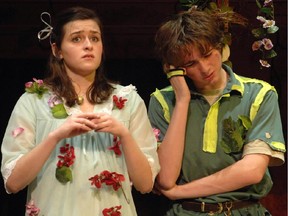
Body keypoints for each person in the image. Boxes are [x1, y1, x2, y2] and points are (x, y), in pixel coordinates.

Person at [1, 6, 160, 216]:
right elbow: (13, 183)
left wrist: (123, 134)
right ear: (57, 50)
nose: (88, 45)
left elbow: (145, 184)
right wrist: (55, 136)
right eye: (77, 39)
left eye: (95, 38)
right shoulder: (34, 101)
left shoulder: (127, 100)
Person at [148, 9, 286, 216]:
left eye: (207, 54)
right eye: (190, 63)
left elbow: (252, 171)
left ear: (221, 47)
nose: (204, 68)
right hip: (187, 212)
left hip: (245, 211)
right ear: (175, 68)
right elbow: (166, 178)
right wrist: (183, 99)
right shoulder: (162, 101)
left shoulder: (259, 94)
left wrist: (179, 192)